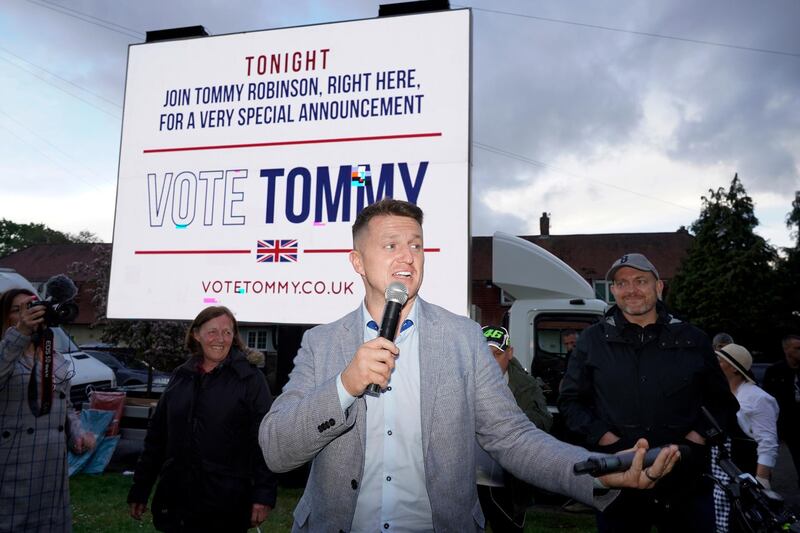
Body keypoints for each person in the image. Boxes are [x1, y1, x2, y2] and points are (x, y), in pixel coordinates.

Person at [259, 199, 680, 532]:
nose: (408, 257)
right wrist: (344, 386)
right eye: (391, 246)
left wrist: (597, 475)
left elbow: (514, 438)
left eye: (416, 245)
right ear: (357, 261)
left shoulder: (463, 338)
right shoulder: (322, 342)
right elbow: (276, 449)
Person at [559, 252, 738, 533]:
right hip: (619, 482)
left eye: (640, 280)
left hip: (685, 484)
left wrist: (693, 441)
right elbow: (570, 403)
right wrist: (609, 441)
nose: (631, 290)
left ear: (659, 286)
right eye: (621, 283)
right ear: (614, 291)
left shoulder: (694, 338)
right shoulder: (592, 341)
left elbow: (722, 403)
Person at [128, 305, 277, 532]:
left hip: (226, 504)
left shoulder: (250, 379)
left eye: (227, 332)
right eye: (212, 331)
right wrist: (141, 488)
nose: (220, 339)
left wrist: (263, 495)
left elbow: (266, 439)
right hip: (177, 500)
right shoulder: (181, 377)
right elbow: (157, 438)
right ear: (196, 334)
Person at [0, 288, 95, 532]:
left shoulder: (53, 354)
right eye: (16, 310)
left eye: (30, 307)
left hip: (51, 464)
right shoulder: (5, 352)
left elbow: (63, 403)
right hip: (12, 463)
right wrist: (19, 333)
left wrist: (77, 431)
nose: (25, 315)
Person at [476, 325, 552, 532]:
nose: (490, 362)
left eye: (496, 354)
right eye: (484, 354)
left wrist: (508, 423)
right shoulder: (461, 380)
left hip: (508, 484)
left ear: (509, 353)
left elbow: (544, 422)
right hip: (469, 483)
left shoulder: (526, 385)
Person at [716, 343, 779, 487]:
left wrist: (761, 478)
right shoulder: (720, 394)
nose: (715, 365)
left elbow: (768, 442)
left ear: (733, 368)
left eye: (720, 361)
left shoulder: (758, 398)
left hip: (745, 469)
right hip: (722, 472)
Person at [763, 334, 800, 487]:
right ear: (787, 350)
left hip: (797, 426)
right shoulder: (775, 371)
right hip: (779, 424)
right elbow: (767, 397)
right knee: (766, 461)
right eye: (797, 348)